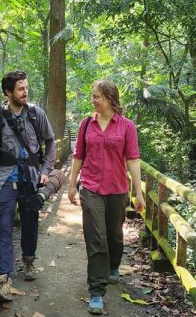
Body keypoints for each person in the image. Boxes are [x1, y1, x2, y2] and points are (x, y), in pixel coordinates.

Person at [67, 80, 146, 315]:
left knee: (114, 235)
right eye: (93, 96)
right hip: (90, 188)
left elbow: (132, 158)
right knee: (97, 238)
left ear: (110, 98)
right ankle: (96, 291)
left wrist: (138, 193)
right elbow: (78, 155)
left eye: (97, 97)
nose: (93, 101)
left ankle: (113, 265)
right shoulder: (85, 125)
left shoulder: (127, 127)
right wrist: (72, 184)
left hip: (117, 189)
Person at [0, 70, 56, 302]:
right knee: (3, 227)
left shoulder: (36, 114)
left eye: (26, 88)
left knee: (30, 222)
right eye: (20, 89)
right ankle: (2, 279)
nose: (25, 92)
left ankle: (28, 261)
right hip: (5, 178)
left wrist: (46, 171)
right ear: (8, 93)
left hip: (31, 177)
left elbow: (51, 141)